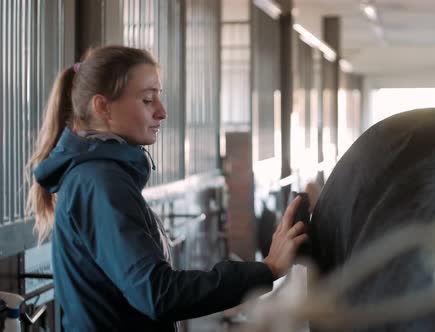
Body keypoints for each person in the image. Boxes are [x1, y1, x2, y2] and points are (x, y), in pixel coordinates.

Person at [25, 45, 308, 331]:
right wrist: (267, 269)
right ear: (103, 107)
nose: (162, 111)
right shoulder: (99, 182)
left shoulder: (101, 177)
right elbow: (157, 293)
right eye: (148, 99)